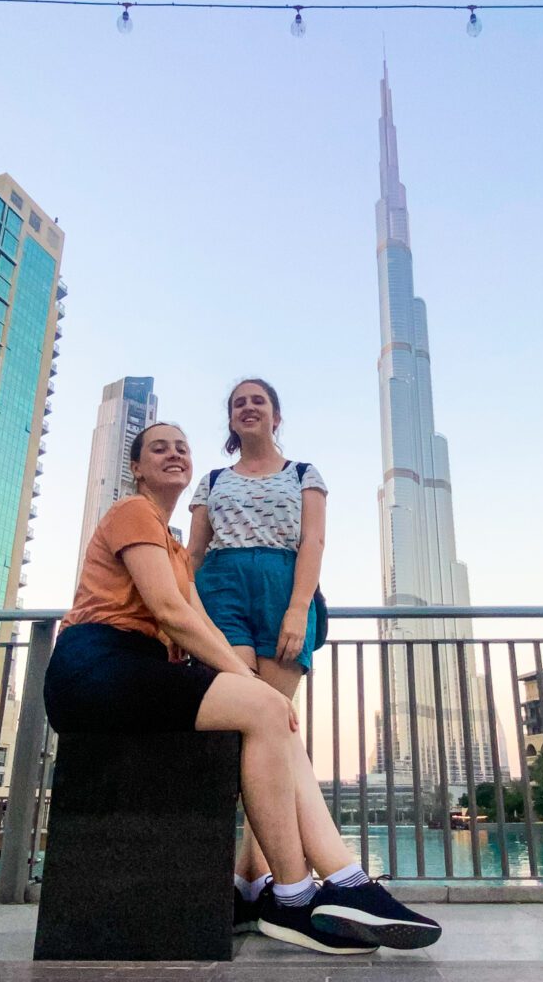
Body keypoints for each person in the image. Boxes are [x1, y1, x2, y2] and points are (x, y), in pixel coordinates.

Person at [44, 421, 441, 955]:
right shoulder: (132, 512)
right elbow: (170, 613)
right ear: (136, 467)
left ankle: (328, 887)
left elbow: (200, 623)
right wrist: (247, 681)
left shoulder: (178, 550)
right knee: (265, 707)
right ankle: (311, 893)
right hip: (95, 666)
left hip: (133, 672)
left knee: (269, 710)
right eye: (158, 448)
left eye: (182, 448)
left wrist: (250, 683)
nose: (174, 455)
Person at [187, 379, 327, 925]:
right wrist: (179, 617)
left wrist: (298, 609)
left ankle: (250, 877)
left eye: (258, 401)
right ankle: (255, 879)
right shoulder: (213, 480)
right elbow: (194, 552)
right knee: (240, 727)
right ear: (230, 419)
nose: (248, 407)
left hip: (282, 585)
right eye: (238, 402)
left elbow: (312, 543)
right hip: (221, 589)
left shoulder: (303, 474)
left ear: (275, 415)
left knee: (275, 730)